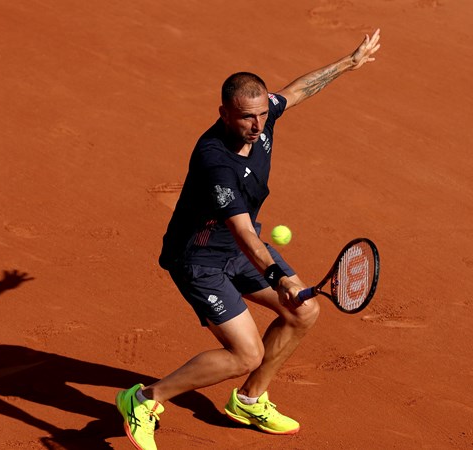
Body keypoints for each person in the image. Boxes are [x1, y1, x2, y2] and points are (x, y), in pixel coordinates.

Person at [115, 29, 381, 450]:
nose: (257, 125)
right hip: (200, 260)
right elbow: (241, 233)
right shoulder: (214, 162)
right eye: (245, 117)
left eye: (261, 114)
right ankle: (144, 399)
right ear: (224, 113)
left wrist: (348, 62)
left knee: (304, 312)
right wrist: (280, 277)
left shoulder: (264, 115)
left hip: (239, 248)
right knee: (245, 354)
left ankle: (249, 401)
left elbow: (297, 90)